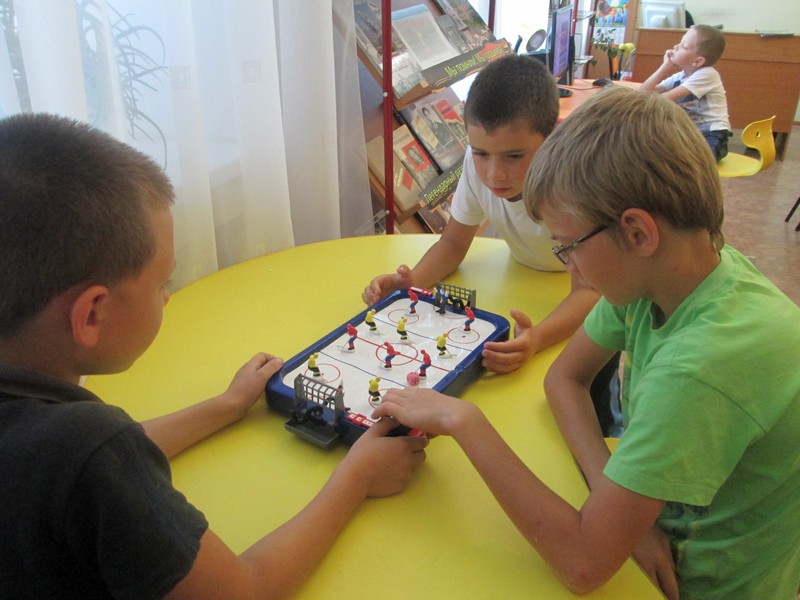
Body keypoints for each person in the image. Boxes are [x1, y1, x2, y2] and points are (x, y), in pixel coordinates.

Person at [372, 88, 800, 599]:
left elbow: (582, 563)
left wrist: (461, 419)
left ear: (638, 233)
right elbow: (565, 378)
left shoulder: (700, 369)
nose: (568, 265)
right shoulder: (671, 272)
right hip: (647, 530)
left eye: (568, 246)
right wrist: (620, 506)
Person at [0, 113, 427, 600]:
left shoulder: (57, 440)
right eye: (161, 283)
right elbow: (245, 591)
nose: (167, 297)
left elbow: (85, 465)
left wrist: (226, 406)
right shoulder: (93, 449)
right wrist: (356, 478)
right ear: (91, 314)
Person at [362, 54, 619, 434]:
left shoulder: (580, 179)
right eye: (481, 153)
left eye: (514, 156)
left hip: (591, 304)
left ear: (553, 137)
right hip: (523, 286)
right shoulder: (475, 162)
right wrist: (412, 284)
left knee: (591, 417)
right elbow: (453, 242)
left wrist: (538, 338)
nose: (494, 174)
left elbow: (593, 290)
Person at [640, 24, 731, 161]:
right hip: (689, 134)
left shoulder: (708, 74)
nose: (676, 47)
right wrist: (665, 67)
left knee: (691, 162)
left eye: (684, 46)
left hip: (712, 135)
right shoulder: (681, 76)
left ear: (698, 61)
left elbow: (660, 100)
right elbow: (641, 94)